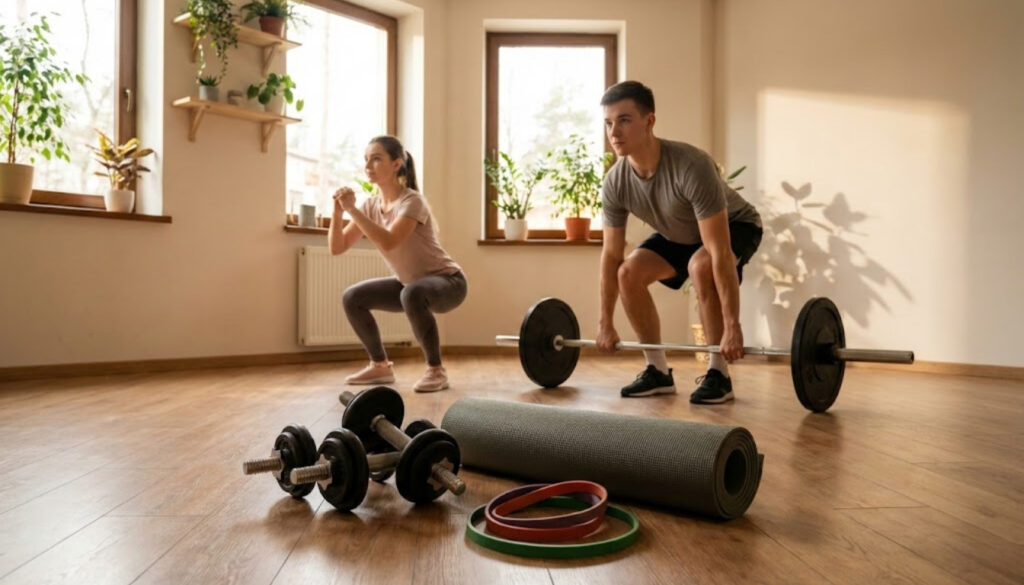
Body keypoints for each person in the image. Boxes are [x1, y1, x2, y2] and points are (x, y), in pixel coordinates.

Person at [597, 81, 762, 403]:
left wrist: (733, 326)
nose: (614, 132)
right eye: (608, 122)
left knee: (701, 266)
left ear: (649, 121)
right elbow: (610, 255)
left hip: (735, 224)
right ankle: (657, 371)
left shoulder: (691, 165)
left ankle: (719, 374)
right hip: (680, 232)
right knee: (627, 273)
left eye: (624, 120)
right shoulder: (615, 182)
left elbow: (717, 251)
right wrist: (605, 322)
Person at [328, 135, 467, 392]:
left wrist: (352, 210)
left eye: (376, 159)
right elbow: (337, 248)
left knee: (411, 292)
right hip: (410, 285)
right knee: (353, 297)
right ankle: (380, 366)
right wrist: (338, 214)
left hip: (449, 282)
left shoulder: (412, 201)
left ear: (396, 164)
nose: (368, 166)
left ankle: (436, 371)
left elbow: (390, 240)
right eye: (366, 160)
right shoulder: (371, 206)